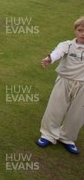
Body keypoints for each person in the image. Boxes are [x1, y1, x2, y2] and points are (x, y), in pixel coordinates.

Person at [36, 16, 84, 155]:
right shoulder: (67, 44)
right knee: (55, 108)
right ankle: (48, 135)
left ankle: (67, 137)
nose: (83, 34)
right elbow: (58, 52)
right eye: (80, 30)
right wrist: (50, 58)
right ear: (75, 31)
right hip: (64, 80)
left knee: (78, 114)